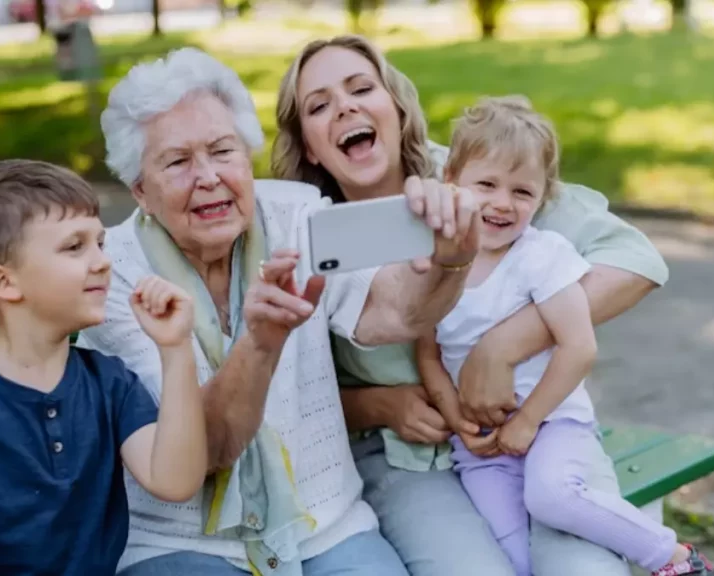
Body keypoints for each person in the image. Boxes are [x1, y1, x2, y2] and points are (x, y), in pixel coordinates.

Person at [272, 35, 671, 576]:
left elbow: (635, 261)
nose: (345, 107)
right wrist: (382, 406)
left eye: (362, 88)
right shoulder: (306, 231)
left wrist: (501, 348)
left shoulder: (477, 176)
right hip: (406, 460)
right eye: (319, 106)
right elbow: (289, 397)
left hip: (532, 431)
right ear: (311, 146)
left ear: (396, 106)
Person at [77, 47, 480, 576]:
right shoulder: (115, 275)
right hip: (182, 545)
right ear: (139, 191)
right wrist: (260, 344)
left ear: (247, 156)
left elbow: (392, 312)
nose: (208, 177)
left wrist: (452, 261)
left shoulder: (297, 215)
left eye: (223, 151)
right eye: (177, 162)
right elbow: (206, 450)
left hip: (325, 523)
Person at [416, 95, 714, 576]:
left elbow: (579, 348)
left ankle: (675, 559)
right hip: (479, 446)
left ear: (542, 197)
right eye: (486, 184)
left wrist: (528, 421)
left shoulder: (542, 255)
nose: (502, 202)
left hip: (554, 424)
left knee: (552, 496)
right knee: (505, 555)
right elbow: (427, 354)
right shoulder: (437, 260)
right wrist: (458, 421)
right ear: (451, 180)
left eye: (522, 192)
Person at [0, 160, 209, 575]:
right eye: (74, 247)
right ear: (4, 282)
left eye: (100, 243)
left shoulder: (110, 384)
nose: (103, 261)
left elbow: (175, 481)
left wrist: (176, 349)